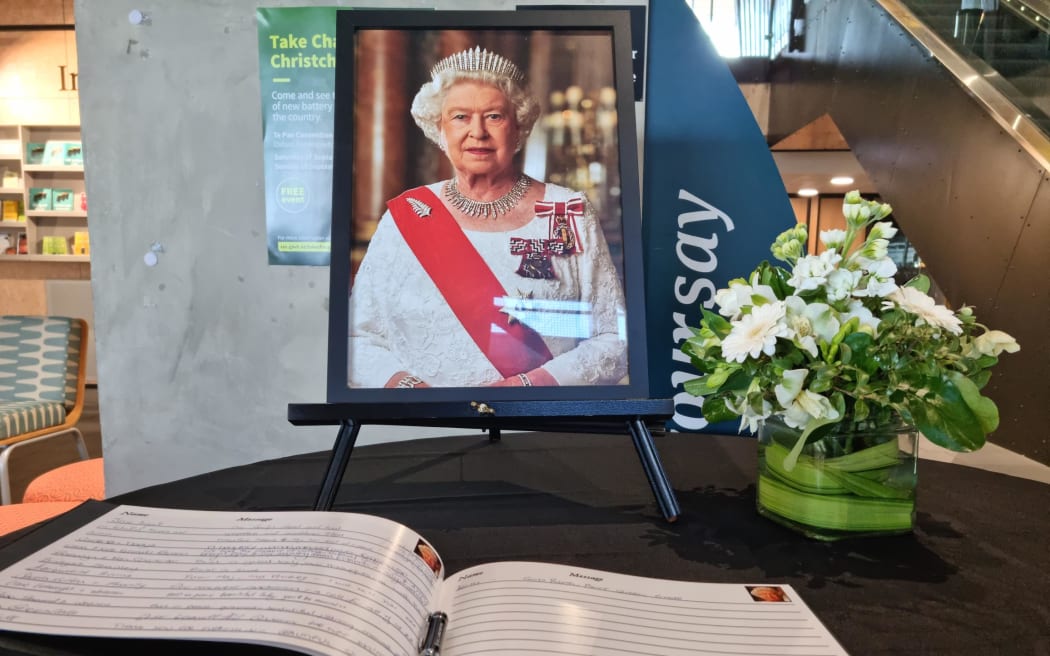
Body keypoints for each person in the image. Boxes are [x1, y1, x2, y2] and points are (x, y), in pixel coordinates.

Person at [348, 46, 628, 389]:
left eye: (494, 116)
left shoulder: (564, 212)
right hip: (423, 425)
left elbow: (613, 339)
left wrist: (524, 387)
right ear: (441, 128)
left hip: (534, 423)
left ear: (519, 127)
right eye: (460, 117)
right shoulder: (407, 216)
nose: (477, 132)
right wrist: (413, 392)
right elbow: (357, 339)